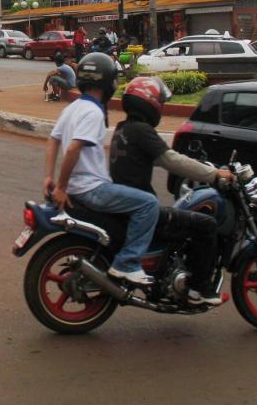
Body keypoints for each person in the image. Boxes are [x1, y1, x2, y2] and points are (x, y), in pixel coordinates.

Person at [110, 76, 234, 305]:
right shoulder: (142, 131)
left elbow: (153, 159)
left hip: (127, 206)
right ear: (150, 103)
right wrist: (214, 174)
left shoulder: (123, 129)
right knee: (206, 225)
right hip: (143, 210)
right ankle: (199, 290)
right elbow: (171, 160)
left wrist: (195, 164)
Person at [43, 53, 159, 286]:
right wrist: (61, 186)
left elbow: (53, 140)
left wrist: (49, 177)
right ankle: (127, 264)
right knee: (149, 204)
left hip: (81, 188)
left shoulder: (73, 107)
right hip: (92, 189)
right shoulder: (93, 112)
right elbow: (74, 148)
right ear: (109, 82)